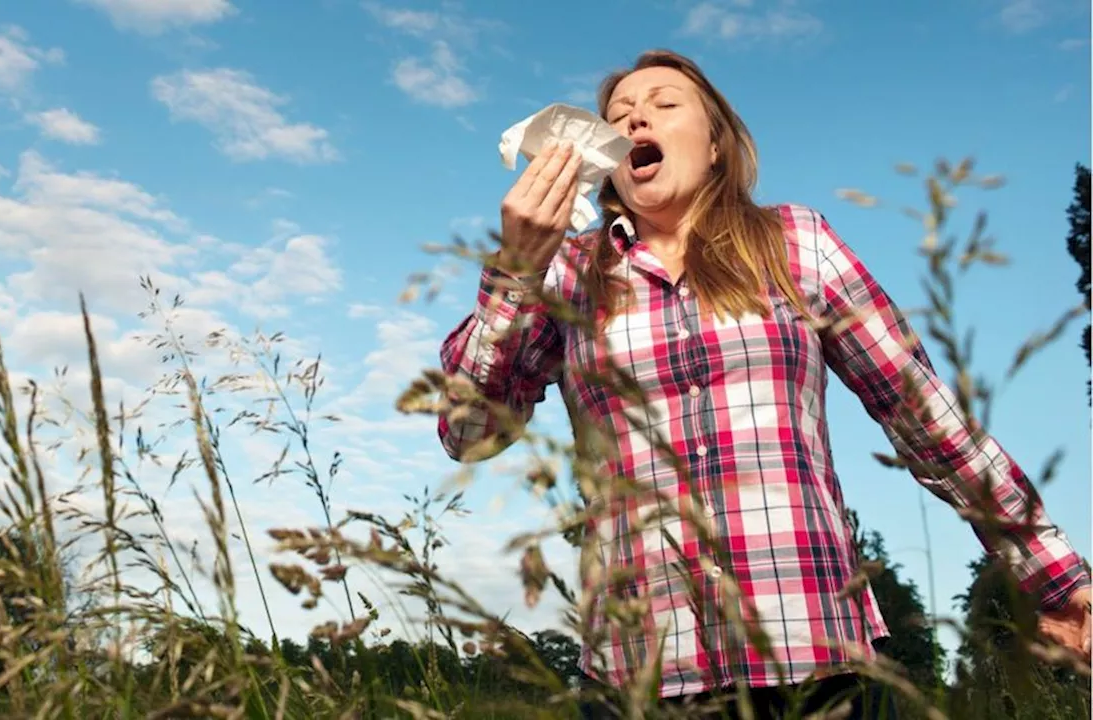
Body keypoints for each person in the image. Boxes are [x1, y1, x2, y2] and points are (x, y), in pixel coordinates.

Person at [435, 49, 1091, 718]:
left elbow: (925, 418)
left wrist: (1050, 572)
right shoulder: (570, 272)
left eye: (664, 104)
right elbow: (467, 432)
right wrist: (516, 268)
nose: (636, 120)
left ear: (716, 144)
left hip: (815, 661)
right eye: (619, 116)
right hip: (643, 677)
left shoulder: (794, 242)